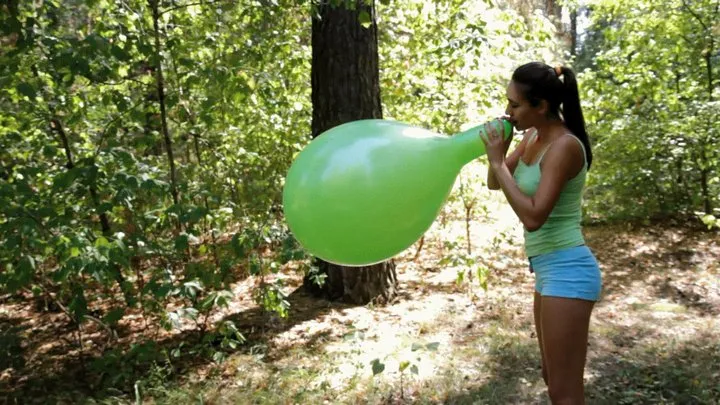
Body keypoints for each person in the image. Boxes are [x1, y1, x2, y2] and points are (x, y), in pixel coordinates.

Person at [479, 62, 602, 405]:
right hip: (547, 271)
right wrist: (499, 155)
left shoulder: (564, 146)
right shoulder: (532, 137)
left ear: (541, 106)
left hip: (569, 271)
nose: (508, 111)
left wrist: (498, 163)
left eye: (515, 105)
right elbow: (494, 182)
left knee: (565, 393)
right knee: (552, 379)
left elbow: (534, 216)